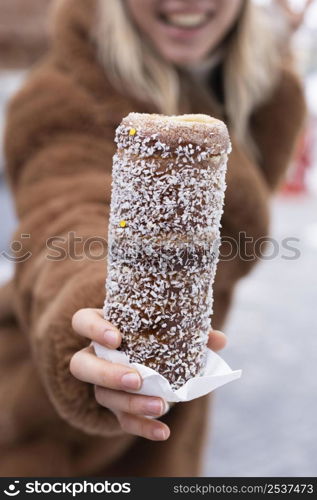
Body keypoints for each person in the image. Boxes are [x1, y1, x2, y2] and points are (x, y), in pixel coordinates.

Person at [0, 0, 305, 476]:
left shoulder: (263, 83)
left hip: (172, 411)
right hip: (44, 434)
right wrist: (98, 312)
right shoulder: (68, 92)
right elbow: (62, 218)